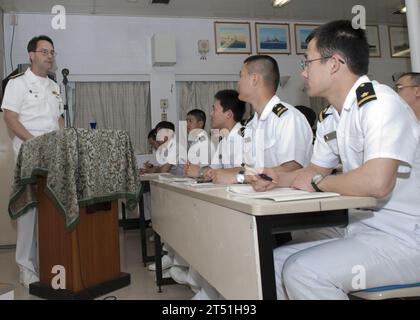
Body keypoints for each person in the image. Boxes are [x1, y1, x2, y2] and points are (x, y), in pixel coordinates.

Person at [251, 20, 420, 300]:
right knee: (272, 265)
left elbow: (377, 183)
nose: (304, 72)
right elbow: (313, 171)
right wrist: (275, 177)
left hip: (404, 238)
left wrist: (318, 182)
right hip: (361, 231)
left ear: (334, 63)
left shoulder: (380, 104)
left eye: (308, 62)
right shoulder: (332, 116)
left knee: (302, 271)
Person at [1, 35, 64, 288]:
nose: (49, 56)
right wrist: (34, 142)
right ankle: (26, 268)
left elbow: (58, 119)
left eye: (52, 52)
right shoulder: (17, 83)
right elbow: (10, 118)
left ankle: (51, 259)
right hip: (29, 153)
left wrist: (62, 141)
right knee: (28, 211)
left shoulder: (54, 86)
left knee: (53, 209)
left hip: (54, 155)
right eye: (44, 51)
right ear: (31, 55)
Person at [209, 54, 313, 185]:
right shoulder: (251, 125)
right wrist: (225, 173)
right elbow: (252, 168)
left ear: (254, 79)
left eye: (241, 76)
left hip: (288, 201)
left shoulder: (288, 118)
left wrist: (238, 177)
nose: (238, 82)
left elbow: (291, 169)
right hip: (261, 197)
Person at [184, 90, 245, 179]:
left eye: (214, 109)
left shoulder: (243, 137)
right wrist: (193, 169)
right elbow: (213, 168)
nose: (211, 114)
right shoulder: (224, 140)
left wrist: (200, 172)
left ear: (228, 114)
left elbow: (241, 171)